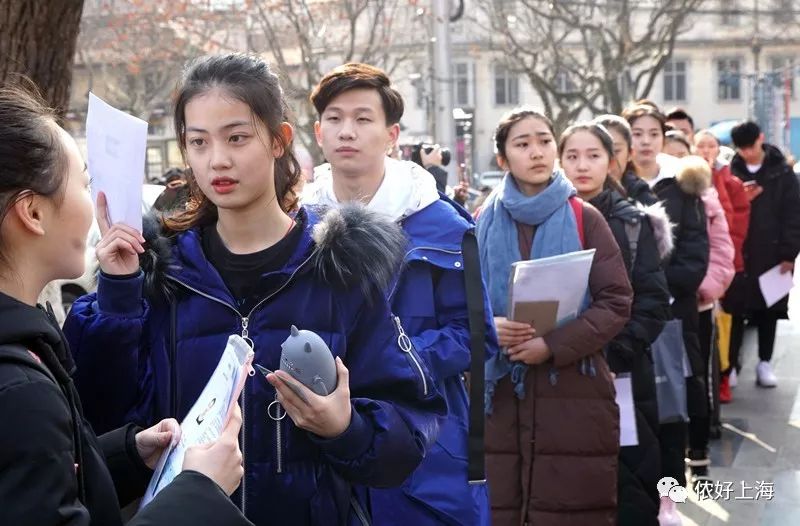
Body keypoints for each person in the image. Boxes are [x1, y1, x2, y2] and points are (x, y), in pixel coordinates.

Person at [63, 54, 445, 525]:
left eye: (237, 137)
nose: (217, 159)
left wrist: (344, 427)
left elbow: (410, 431)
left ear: (279, 140)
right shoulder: (161, 275)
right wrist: (119, 294)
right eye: (198, 142)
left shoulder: (341, 271)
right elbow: (96, 426)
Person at [0, 82, 250, 526]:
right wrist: (199, 492)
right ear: (32, 214)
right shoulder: (20, 390)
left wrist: (125, 457)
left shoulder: (25, 354)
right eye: (84, 183)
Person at [304, 62, 498, 526]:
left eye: (363, 118)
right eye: (334, 118)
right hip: (320, 434)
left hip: (424, 437)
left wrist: (394, 361)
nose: (347, 131)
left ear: (391, 134)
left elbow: (476, 335)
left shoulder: (443, 225)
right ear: (318, 131)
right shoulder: (298, 226)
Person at [477, 107, 633, 526]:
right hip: (500, 395)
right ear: (503, 159)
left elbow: (616, 300)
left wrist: (552, 345)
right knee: (500, 506)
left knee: (569, 508)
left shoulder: (585, 217)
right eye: (522, 144)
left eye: (545, 141)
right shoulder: (480, 221)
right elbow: (460, 307)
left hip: (573, 391)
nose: (537, 152)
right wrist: (489, 329)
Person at [560, 122, 672, 526]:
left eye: (593, 155)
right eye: (572, 156)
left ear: (612, 162)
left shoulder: (632, 223)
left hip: (621, 371)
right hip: (556, 374)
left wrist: (612, 353)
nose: (582, 165)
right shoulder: (550, 219)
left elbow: (654, 302)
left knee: (628, 479)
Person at [621, 102, 709, 490]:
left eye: (652, 134)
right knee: (631, 409)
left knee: (673, 401)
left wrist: (654, 287)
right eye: (635, 134)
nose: (644, 142)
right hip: (624, 315)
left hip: (674, 313)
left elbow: (695, 256)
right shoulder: (614, 187)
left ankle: (672, 489)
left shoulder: (681, 189)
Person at [724, 121, 800, 388]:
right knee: (734, 308)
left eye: (751, 146)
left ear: (761, 139)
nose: (748, 153)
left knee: (770, 309)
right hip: (739, 252)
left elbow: (794, 215)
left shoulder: (782, 172)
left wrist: (790, 253)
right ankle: (730, 364)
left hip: (773, 252)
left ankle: (764, 362)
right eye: (742, 149)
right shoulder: (731, 171)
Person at [681, 155, 734, 482]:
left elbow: (722, 247)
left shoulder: (698, 191)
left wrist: (706, 287)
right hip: (658, 307)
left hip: (695, 303)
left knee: (695, 380)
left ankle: (698, 456)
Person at [694, 129, 751, 404]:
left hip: (724, 263)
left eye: (710, 145)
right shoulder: (688, 179)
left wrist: (725, 262)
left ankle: (725, 373)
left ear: (718, 149)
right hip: (697, 267)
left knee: (726, 321)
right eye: (700, 145)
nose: (706, 150)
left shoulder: (730, 181)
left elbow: (736, 227)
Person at [595, 115, 658, 206]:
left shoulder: (642, 195)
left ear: (630, 153)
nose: (608, 159)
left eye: (615, 151)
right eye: (595, 154)